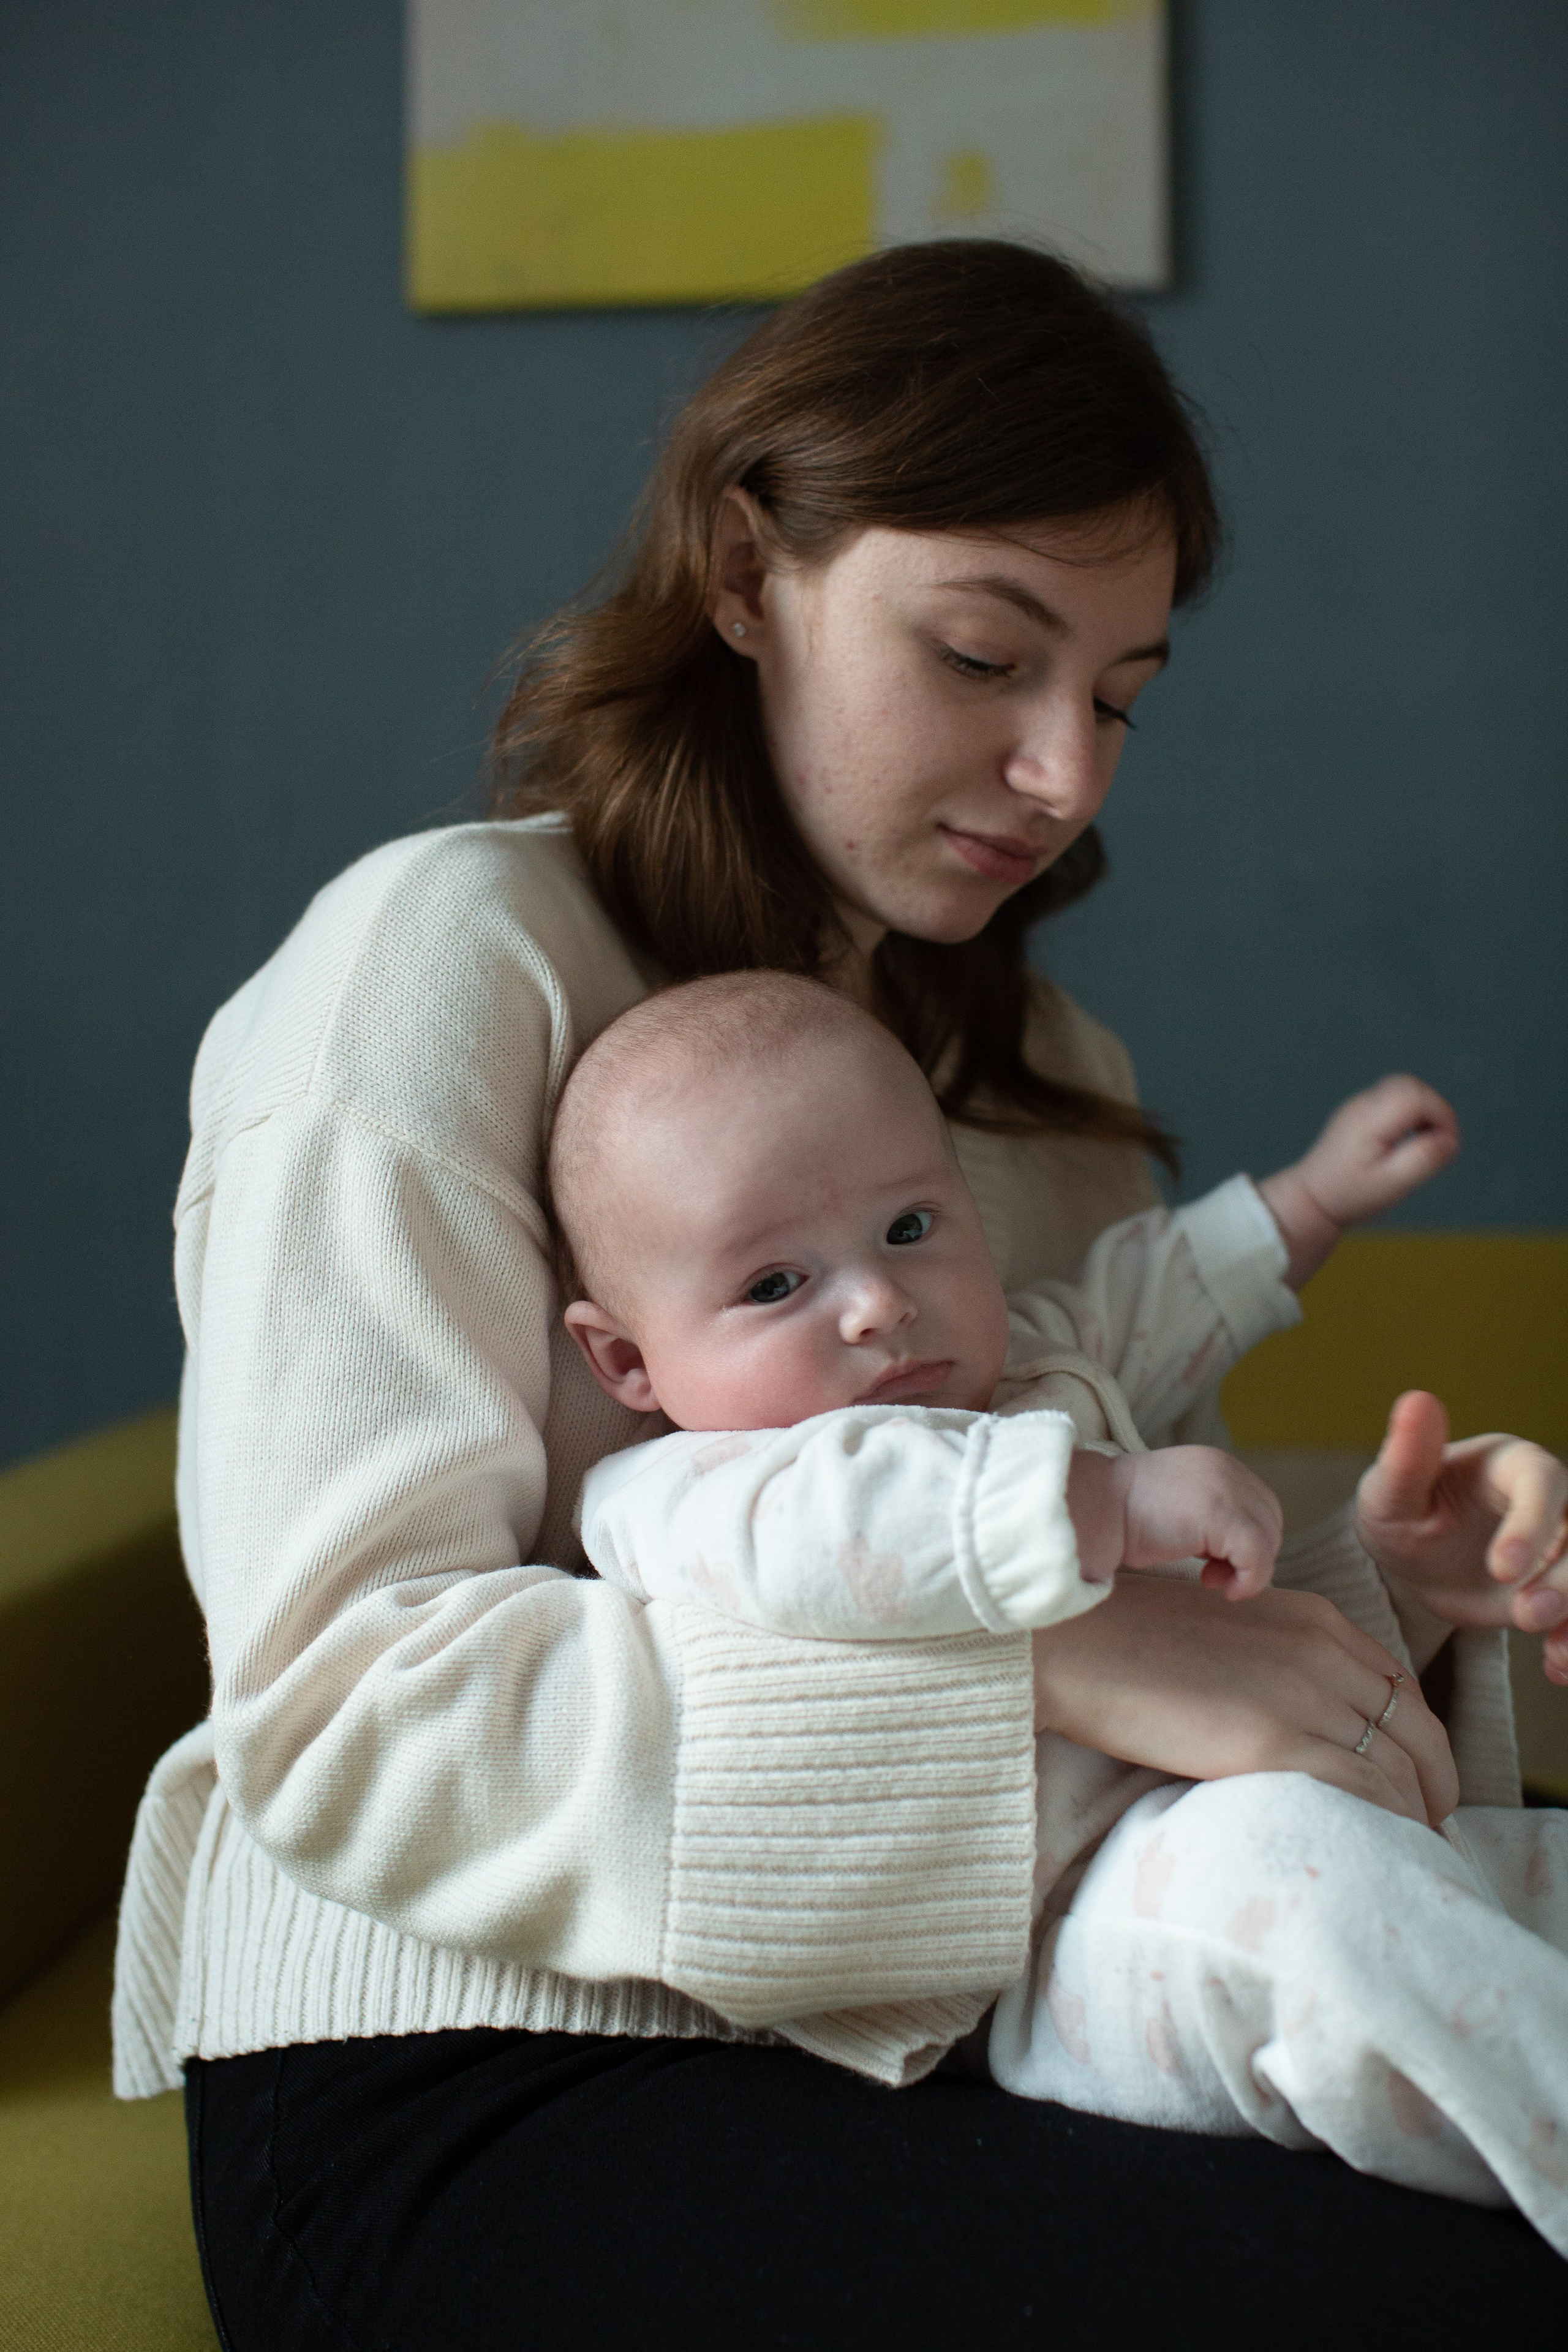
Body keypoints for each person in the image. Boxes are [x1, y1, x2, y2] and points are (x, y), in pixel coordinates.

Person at [114, 242, 1568, 2350]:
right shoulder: (441, 968)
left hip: (993, 2003)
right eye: (987, 655)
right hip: (491, 2062)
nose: (1066, 773)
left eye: (1123, 697)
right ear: (741, 571)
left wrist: (1394, 1595)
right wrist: (1045, 1687)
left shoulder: (1046, 1078)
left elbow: (1114, 1634)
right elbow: (354, 1720)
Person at [551, 970, 1568, 2249]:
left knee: (1518, 1878)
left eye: (911, 1225)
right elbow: (854, 1530)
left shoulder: (1021, 1374)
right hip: (1053, 1951)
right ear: (627, 1361)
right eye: (772, 1286)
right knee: (1315, 1906)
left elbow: (1148, 1300)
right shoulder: (687, 1493)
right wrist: (1106, 1499)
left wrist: (1305, 1201)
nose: (877, 1301)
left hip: (1245, 1833)